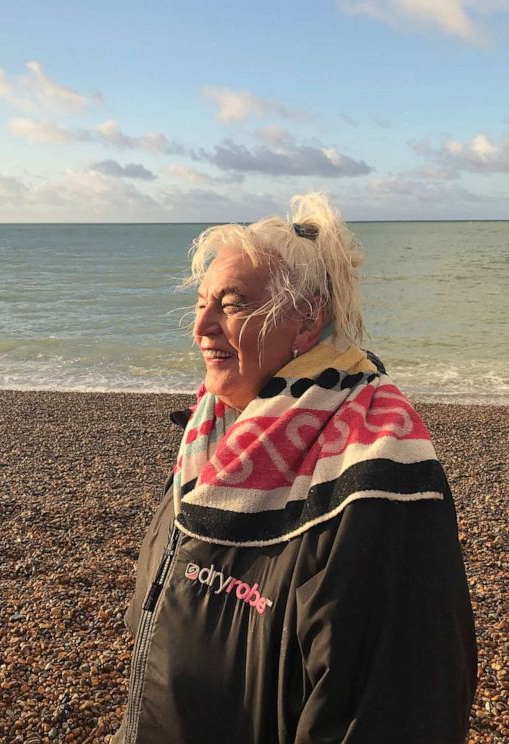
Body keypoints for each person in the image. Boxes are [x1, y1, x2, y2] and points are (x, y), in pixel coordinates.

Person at [111, 193, 476, 743]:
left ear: (307, 323)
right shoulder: (214, 433)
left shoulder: (377, 477)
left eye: (232, 304)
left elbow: (397, 707)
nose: (201, 327)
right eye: (202, 302)